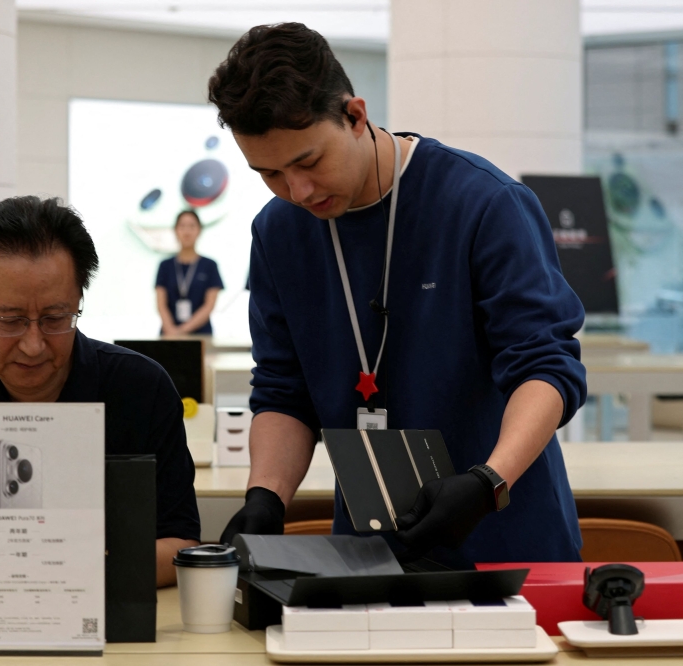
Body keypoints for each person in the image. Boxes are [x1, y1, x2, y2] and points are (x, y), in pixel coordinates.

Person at [210, 24, 587, 565]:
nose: (299, 191)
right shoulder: (279, 233)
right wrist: (266, 497)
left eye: (309, 162)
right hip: (367, 554)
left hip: (505, 535)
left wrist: (486, 482)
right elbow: (282, 391)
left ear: (356, 115)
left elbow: (546, 368)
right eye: (269, 173)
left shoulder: (482, 204)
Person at [0, 195, 200, 586]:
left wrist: (50, 572)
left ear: (80, 298)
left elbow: (179, 545)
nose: (33, 344)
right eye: (9, 320)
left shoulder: (140, 388)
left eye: (56, 318)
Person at [155, 210, 224, 336]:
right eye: (182, 226)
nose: (187, 231)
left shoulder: (210, 265)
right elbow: (161, 304)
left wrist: (181, 331)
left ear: (199, 230)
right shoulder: (165, 266)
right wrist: (171, 331)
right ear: (175, 231)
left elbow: (209, 305)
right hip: (168, 335)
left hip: (201, 336)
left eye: (192, 226)